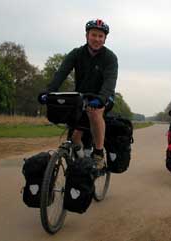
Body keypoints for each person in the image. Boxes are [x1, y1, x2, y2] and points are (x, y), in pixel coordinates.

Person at [39, 19, 118, 169]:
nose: (97, 39)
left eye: (101, 36)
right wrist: (48, 92)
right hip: (81, 97)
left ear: (105, 39)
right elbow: (61, 74)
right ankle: (81, 160)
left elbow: (110, 81)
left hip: (103, 97)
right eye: (94, 35)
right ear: (87, 36)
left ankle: (98, 153)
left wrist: (101, 98)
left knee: (94, 113)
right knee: (75, 137)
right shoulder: (76, 54)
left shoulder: (110, 58)